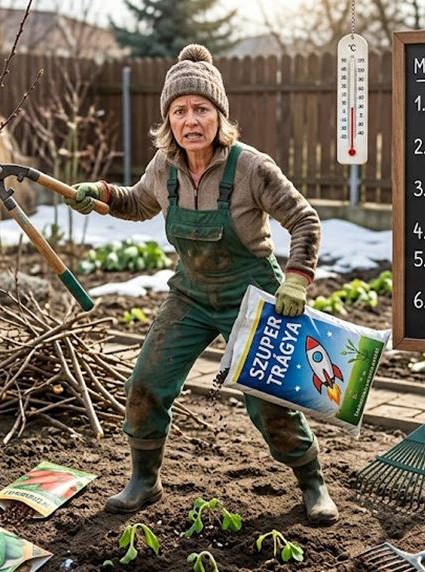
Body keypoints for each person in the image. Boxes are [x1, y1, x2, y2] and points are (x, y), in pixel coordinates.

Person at [70, 44, 338, 525]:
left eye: (201, 109)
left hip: (252, 298)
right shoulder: (165, 165)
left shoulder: (251, 166)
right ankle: (144, 480)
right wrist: (102, 193)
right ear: (168, 119)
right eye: (179, 111)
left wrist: (297, 279)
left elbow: (304, 220)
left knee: (269, 405)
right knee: (146, 384)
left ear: (219, 115)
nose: (190, 120)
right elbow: (139, 202)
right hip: (191, 295)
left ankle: (311, 481)